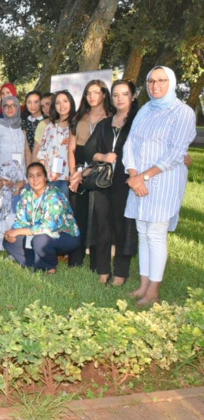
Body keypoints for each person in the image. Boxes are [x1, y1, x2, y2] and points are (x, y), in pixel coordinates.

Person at [123, 66, 196, 306]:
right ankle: (143, 285)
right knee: (142, 233)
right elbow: (130, 143)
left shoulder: (182, 112)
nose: (155, 86)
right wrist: (133, 174)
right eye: (151, 81)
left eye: (161, 80)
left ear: (171, 82)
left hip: (163, 181)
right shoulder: (145, 109)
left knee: (155, 233)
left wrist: (143, 177)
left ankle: (153, 290)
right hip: (138, 181)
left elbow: (176, 153)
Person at [83, 80, 138, 286]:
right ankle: (103, 269)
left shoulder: (138, 122)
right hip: (103, 182)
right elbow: (88, 150)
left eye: (124, 94)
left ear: (132, 96)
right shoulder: (104, 124)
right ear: (111, 98)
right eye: (115, 95)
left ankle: (121, 273)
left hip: (126, 182)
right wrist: (103, 156)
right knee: (102, 225)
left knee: (123, 226)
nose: (120, 98)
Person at [3, 162, 81, 274]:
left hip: (66, 236)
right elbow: (21, 220)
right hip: (40, 233)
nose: (35, 179)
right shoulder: (26, 193)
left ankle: (50, 267)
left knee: (40, 240)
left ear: (45, 177)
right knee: (8, 241)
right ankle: (36, 262)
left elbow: (47, 227)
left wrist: (18, 232)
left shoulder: (54, 194)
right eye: (31, 176)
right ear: (27, 179)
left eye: (39, 175)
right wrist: (12, 232)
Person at [67, 80, 113, 267]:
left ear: (104, 94)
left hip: (100, 171)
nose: (92, 96)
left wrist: (85, 172)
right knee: (78, 215)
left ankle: (97, 262)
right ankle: (75, 259)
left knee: (98, 217)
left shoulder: (111, 118)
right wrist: (74, 174)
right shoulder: (78, 117)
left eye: (96, 92)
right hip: (78, 170)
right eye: (88, 93)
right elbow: (71, 149)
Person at [36, 90, 75, 197]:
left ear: (71, 103)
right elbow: (42, 152)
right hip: (49, 178)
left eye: (65, 101)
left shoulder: (76, 125)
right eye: (58, 103)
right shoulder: (49, 127)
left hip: (68, 178)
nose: (61, 105)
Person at [0, 95, 26, 172]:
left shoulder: (23, 125)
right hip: (4, 169)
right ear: (3, 108)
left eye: (13, 105)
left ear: (17, 107)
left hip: (22, 170)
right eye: (6, 105)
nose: (9, 108)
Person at [22, 91, 44, 165]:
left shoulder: (47, 120)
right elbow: (26, 147)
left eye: (36, 102)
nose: (32, 105)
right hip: (29, 160)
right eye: (29, 102)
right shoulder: (24, 121)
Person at [32, 92, 54, 158]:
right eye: (42, 106)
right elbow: (36, 150)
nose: (45, 108)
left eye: (48, 104)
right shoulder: (42, 125)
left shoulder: (69, 123)